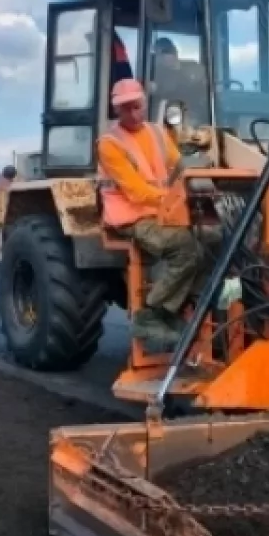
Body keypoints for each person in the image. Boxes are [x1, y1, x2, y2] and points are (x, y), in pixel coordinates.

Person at [98, 78, 205, 347]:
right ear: (117, 111)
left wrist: (202, 184)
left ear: (145, 103)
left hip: (159, 210)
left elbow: (182, 167)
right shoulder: (110, 144)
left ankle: (183, 309)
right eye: (126, 109)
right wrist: (174, 199)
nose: (133, 114)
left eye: (137, 106)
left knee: (211, 237)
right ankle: (150, 315)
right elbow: (136, 193)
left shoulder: (157, 134)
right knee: (184, 248)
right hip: (132, 217)